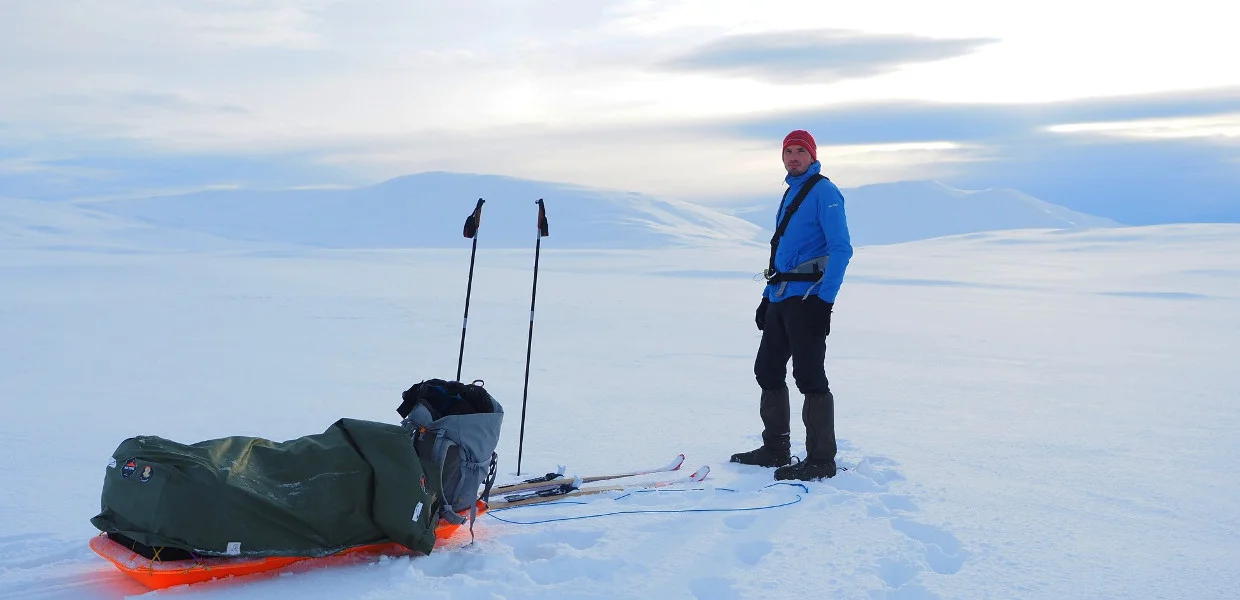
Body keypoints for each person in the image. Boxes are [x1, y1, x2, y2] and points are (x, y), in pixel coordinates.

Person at [730, 129, 853, 481]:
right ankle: (775, 449)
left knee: (809, 377)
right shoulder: (791, 192)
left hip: (808, 299)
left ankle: (821, 459)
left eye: (801, 151)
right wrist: (766, 300)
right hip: (781, 299)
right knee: (767, 370)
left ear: (813, 156)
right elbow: (781, 253)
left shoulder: (825, 192)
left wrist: (824, 302)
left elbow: (842, 249)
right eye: (789, 151)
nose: (794, 157)